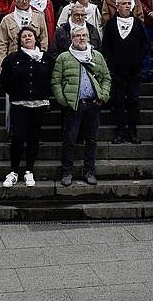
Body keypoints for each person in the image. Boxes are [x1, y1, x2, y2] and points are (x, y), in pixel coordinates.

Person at [51, 27, 111, 187]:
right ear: (72, 38)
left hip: (93, 104)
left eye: (84, 35)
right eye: (77, 35)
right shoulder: (63, 57)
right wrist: (64, 101)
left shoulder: (96, 56)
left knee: (91, 139)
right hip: (73, 105)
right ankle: (67, 172)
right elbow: (56, 81)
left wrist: (103, 96)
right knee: (69, 139)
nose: (81, 38)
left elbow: (106, 78)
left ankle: (89, 171)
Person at [0, 27, 51, 187]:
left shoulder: (47, 58)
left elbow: (52, 78)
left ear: (35, 38)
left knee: (33, 137)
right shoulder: (12, 58)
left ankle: (29, 170)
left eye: (30, 35)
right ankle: (14, 171)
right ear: (19, 40)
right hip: (19, 104)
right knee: (18, 137)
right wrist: (15, 92)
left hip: (39, 104)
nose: (27, 38)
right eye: (24, 36)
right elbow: (5, 79)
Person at [100, 0, 150, 143]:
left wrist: (138, 60)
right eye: (123, 3)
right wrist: (113, 62)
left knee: (133, 101)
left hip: (134, 71)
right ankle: (120, 132)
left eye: (129, 3)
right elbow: (106, 47)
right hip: (117, 71)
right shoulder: (110, 24)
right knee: (119, 101)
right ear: (117, 5)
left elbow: (145, 44)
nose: (127, 6)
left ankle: (133, 132)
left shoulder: (138, 23)